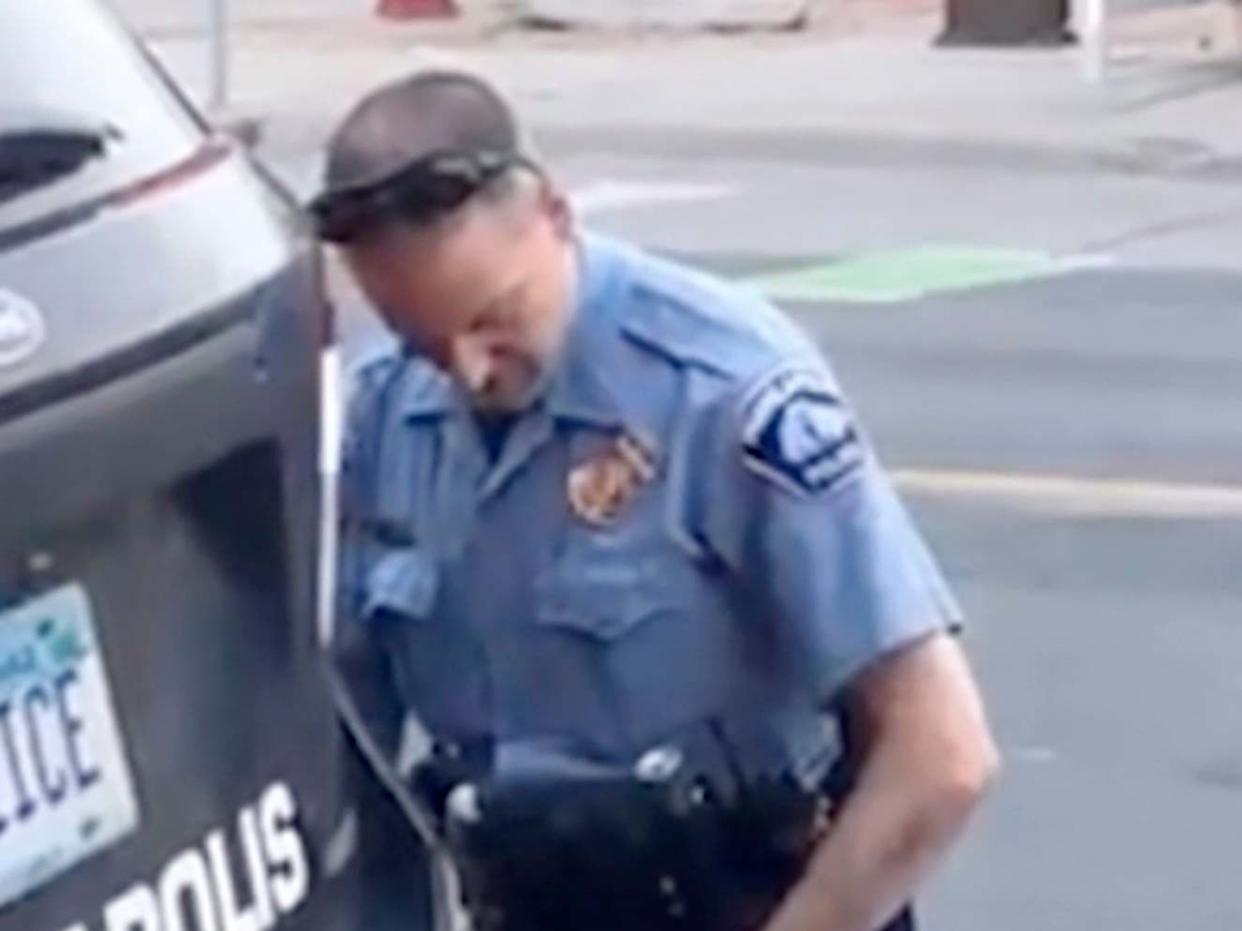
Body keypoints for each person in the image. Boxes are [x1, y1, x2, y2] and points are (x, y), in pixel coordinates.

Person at [317, 69, 999, 931]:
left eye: (495, 319)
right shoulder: (383, 415)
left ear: (556, 217)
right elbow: (346, 754)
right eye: (424, 340)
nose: (469, 372)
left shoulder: (721, 389)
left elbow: (942, 753)